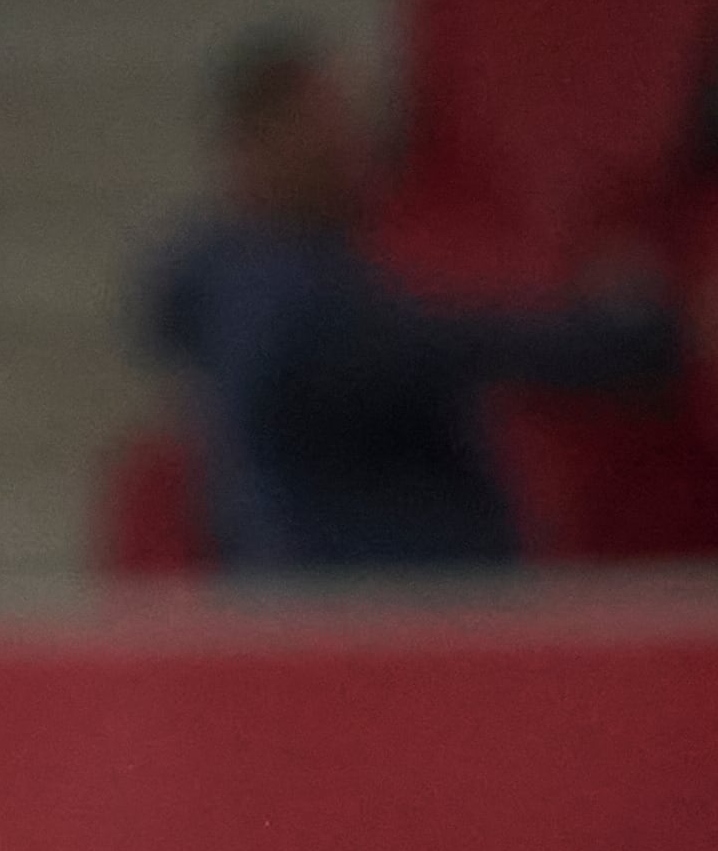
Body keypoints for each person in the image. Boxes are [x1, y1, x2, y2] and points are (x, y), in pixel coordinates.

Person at [144, 31, 681, 571]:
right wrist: (613, 335)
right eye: (332, 129)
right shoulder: (271, 291)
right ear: (260, 142)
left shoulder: (260, 275)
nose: (362, 149)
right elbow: (431, 346)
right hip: (362, 602)